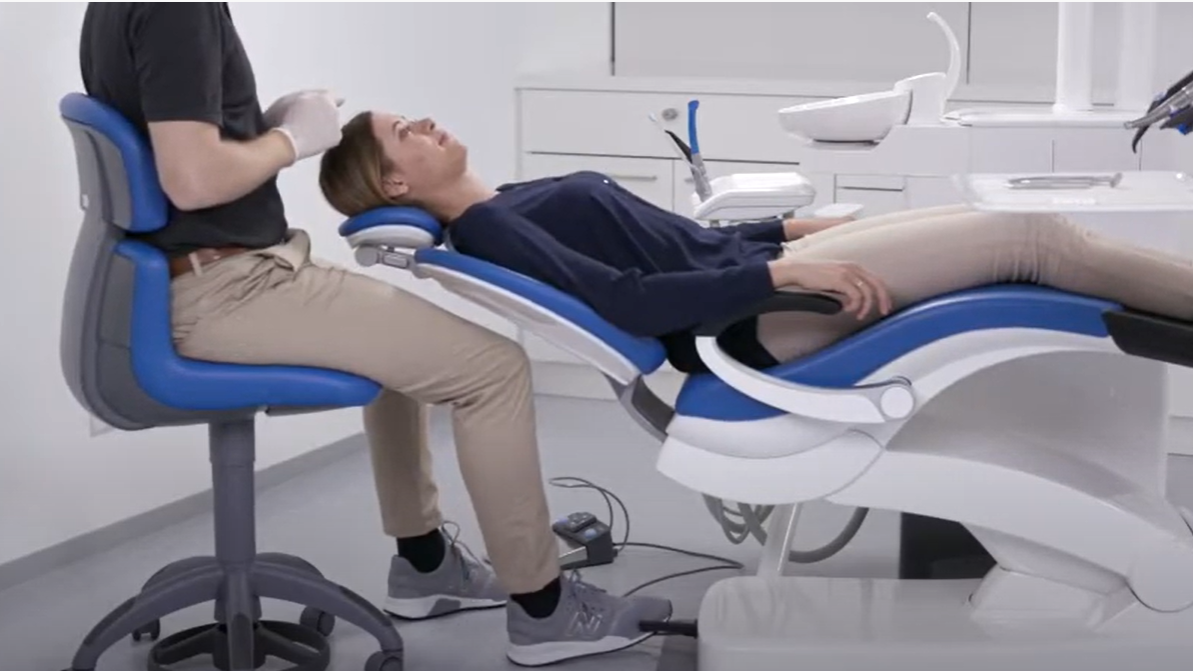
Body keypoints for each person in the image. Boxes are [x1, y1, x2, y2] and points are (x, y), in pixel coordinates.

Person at [78, 3, 670, 667]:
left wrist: (264, 123)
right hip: (230, 287)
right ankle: (545, 612)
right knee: (494, 369)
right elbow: (191, 180)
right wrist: (291, 140)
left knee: (402, 357)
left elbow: (180, 150)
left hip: (235, 269)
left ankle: (426, 565)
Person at [318, 109, 1193, 373]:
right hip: (752, 315)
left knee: (1022, 230)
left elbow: (673, 245)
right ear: (395, 185)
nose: (424, 122)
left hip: (758, 274)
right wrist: (780, 269)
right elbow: (627, 299)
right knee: (1032, 241)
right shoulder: (490, 226)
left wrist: (784, 228)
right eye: (404, 133)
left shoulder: (509, 198)